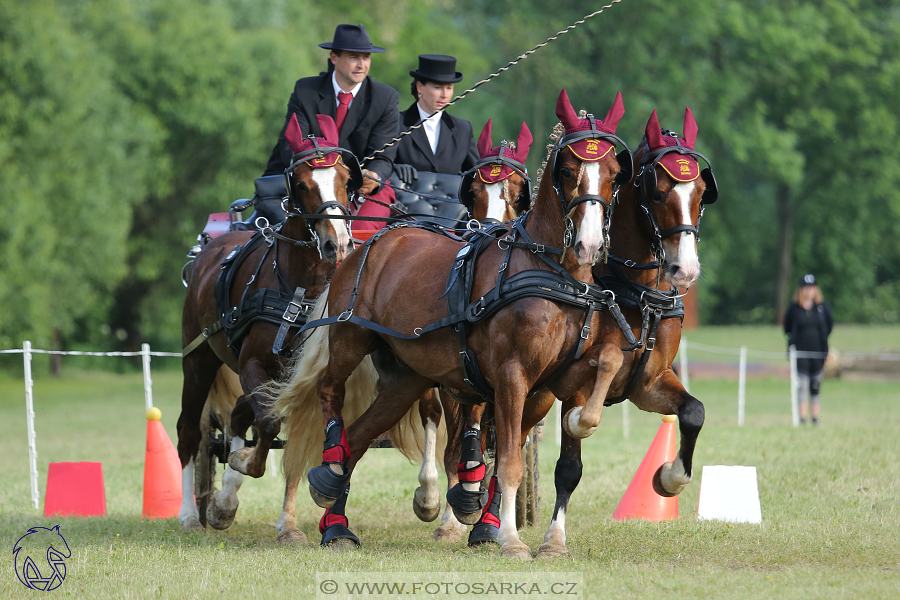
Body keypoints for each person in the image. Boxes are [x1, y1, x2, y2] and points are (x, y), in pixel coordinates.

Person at [262, 23, 399, 195]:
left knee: (366, 222)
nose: (361, 65)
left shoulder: (385, 98)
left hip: (357, 188)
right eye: (354, 57)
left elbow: (383, 156)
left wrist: (374, 175)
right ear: (334, 58)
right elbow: (292, 144)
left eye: (366, 57)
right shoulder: (305, 91)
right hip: (306, 182)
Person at [392, 54, 479, 185]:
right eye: (437, 87)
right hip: (402, 203)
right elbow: (379, 164)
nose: (444, 95)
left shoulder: (463, 129)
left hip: (451, 204)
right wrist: (394, 169)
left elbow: (475, 178)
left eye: (449, 88)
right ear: (419, 87)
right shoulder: (395, 123)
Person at [783, 274, 833, 425]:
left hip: (818, 353)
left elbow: (829, 326)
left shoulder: (822, 308)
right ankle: (803, 419)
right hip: (800, 354)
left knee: (816, 385)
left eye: (811, 288)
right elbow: (787, 328)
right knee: (802, 386)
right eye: (805, 288)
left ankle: (816, 418)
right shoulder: (794, 309)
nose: (808, 291)